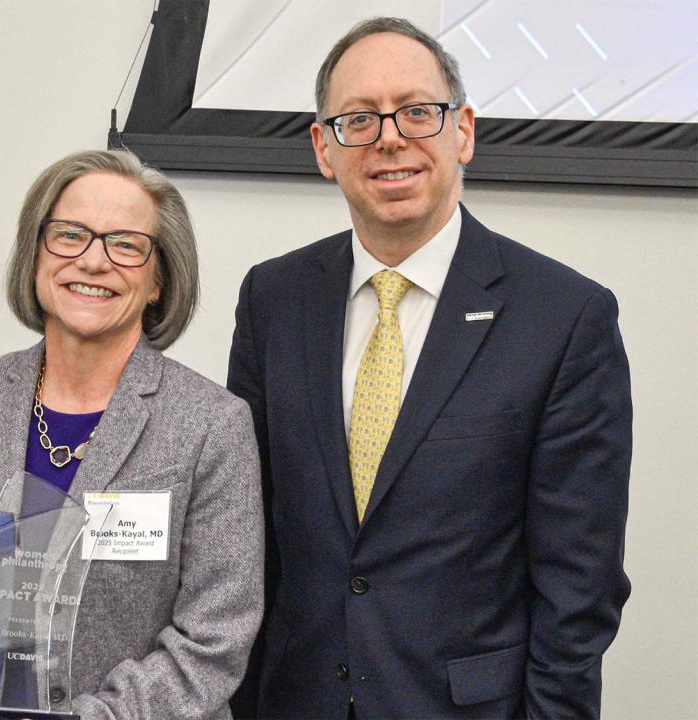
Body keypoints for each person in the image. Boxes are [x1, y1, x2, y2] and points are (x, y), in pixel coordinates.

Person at [227, 16, 632, 719]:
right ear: (324, 148)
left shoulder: (564, 318)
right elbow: (246, 536)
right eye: (359, 119)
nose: (390, 138)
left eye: (418, 112)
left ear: (463, 131)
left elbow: (580, 588)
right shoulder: (273, 298)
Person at [0, 150, 263, 719]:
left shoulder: (212, 425)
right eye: (70, 235)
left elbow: (216, 639)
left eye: (126, 244)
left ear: (159, 279)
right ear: (37, 253)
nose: (93, 262)